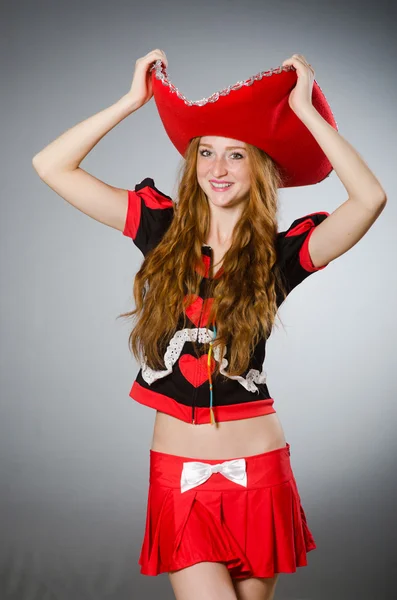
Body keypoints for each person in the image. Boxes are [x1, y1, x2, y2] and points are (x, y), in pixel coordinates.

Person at [32, 49, 387, 600]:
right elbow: (50, 165)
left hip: (261, 471)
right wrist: (132, 101)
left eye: (236, 156)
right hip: (180, 476)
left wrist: (308, 113)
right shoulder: (158, 227)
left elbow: (370, 199)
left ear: (261, 167)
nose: (217, 169)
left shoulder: (281, 254)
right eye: (207, 153)